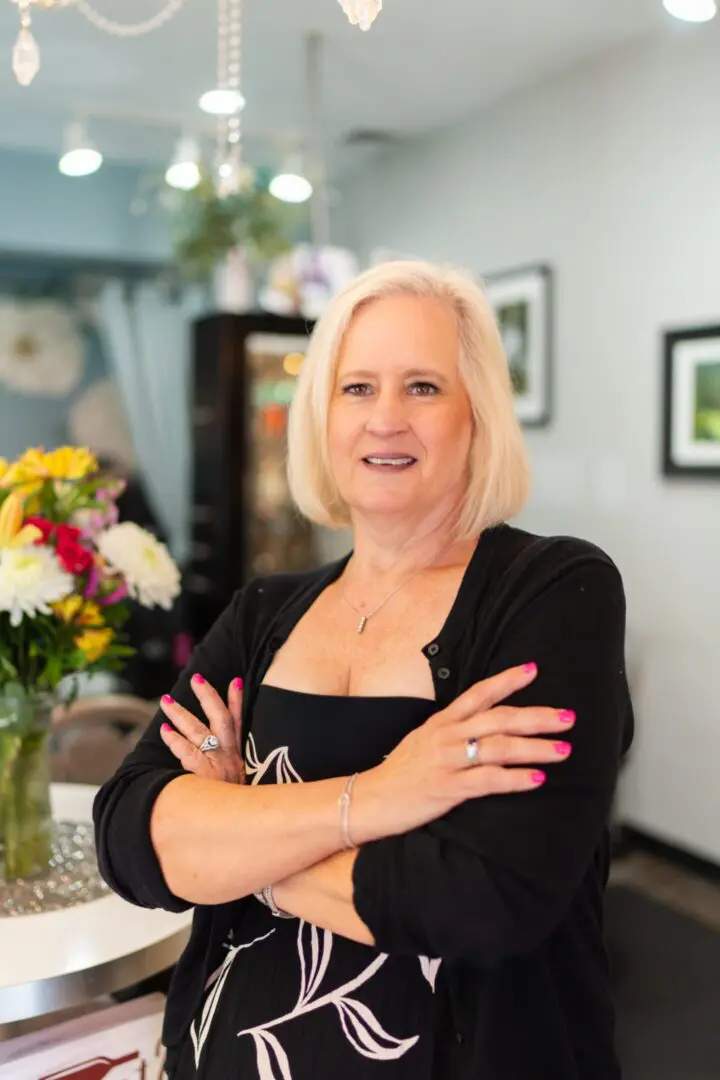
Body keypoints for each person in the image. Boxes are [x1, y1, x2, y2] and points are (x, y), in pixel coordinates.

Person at [94, 260, 633, 1080]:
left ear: (478, 414)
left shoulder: (555, 591)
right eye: (356, 389)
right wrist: (376, 799)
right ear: (321, 417)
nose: (386, 419)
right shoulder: (262, 612)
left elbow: (485, 901)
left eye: (423, 387)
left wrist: (239, 835)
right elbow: (131, 841)